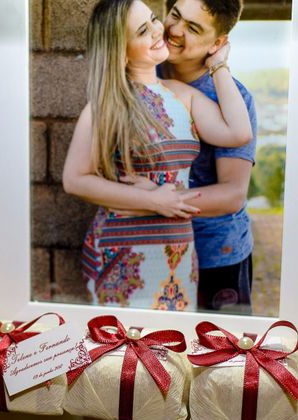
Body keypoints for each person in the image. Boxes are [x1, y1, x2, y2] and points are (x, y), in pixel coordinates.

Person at [62, 0, 251, 311]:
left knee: (171, 349)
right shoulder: (107, 105)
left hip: (178, 253)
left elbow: (237, 133)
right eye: (142, 30)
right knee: (124, 353)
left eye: (153, 19)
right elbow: (74, 179)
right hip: (122, 253)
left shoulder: (182, 94)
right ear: (121, 51)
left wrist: (219, 64)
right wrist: (153, 201)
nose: (157, 31)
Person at [158, 0, 257, 314]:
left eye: (193, 27)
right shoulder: (143, 74)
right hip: (151, 247)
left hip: (215, 253)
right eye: (175, 16)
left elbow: (232, 194)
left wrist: (152, 202)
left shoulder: (234, 100)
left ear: (217, 43)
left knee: (221, 354)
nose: (174, 30)